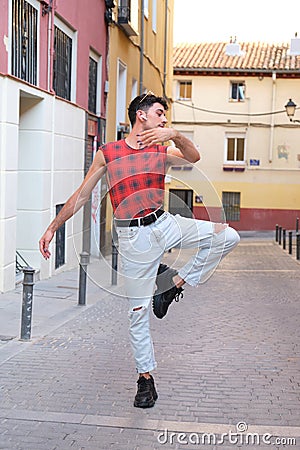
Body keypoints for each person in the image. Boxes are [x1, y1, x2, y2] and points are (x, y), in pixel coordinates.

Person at [39, 92, 240, 409]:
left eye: (166, 116)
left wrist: (173, 134)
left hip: (166, 224)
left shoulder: (162, 149)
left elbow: (194, 157)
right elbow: (81, 196)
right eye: (160, 113)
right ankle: (145, 380)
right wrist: (53, 227)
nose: (164, 118)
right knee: (138, 314)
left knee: (228, 236)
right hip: (134, 240)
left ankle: (172, 286)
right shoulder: (109, 153)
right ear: (141, 115)